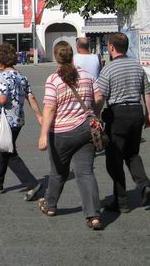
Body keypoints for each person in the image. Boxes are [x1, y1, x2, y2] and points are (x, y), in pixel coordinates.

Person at [38, 41, 104, 230]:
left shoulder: (53, 79)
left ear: (55, 56)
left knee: (58, 171)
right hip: (85, 131)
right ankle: (94, 216)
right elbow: (99, 98)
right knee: (85, 172)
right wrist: (94, 113)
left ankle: (50, 206)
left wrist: (43, 135)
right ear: (72, 55)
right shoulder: (86, 76)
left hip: (61, 134)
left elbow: (50, 108)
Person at [97, 32, 150, 213]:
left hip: (118, 114)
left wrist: (94, 114)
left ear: (112, 47)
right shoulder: (138, 67)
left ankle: (121, 201)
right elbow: (147, 92)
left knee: (114, 160)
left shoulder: (108, 69)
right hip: (137, 112)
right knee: (132, 154)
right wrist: (149, 114)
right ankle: (144, 185)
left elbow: (101, 96)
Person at [0, 43, 43, 200]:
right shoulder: (22, 76)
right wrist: (39, 116)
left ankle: (32, 183)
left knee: (8, 153)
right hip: (18, 120)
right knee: (2, 151)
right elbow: (31, 97)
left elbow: (2, 99)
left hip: (5, 120)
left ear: (1, 61)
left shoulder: (3, 76)